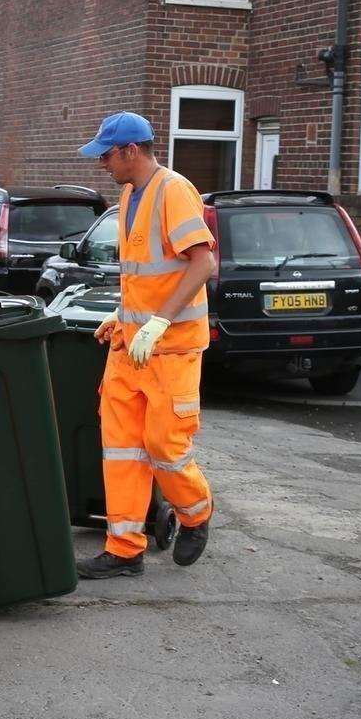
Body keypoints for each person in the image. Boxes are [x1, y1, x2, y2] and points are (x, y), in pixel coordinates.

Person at [76, 111, 216, 578]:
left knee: (163, 445)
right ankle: (123, 549)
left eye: (107, 155)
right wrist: (121, 316)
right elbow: (147, 273)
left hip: (170, 349)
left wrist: (157, 323)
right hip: (130, 349)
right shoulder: (129, 193)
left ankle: (196, 513)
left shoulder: (173, 190)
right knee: (121, 450)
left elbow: (202, 264)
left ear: (131, 151)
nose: (103, 165)